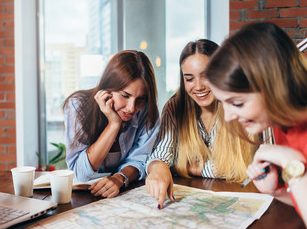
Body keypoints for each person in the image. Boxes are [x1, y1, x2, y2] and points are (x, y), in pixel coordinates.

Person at [205, 22, 307, 226]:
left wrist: (291, 162)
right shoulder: (280, 124)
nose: (228, 117)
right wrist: (276, 191)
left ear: (274, 87)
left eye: (237, 103)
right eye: (222, 103)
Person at [146, 39, 258, 209]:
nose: (198, 87)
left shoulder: (238, 104)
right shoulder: (175, 106)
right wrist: (159, 168)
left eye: (206, 76)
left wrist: (182, 166)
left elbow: (240, 168)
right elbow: (161, 155)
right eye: (189, 79)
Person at [63, 50, 160, 198]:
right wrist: (113, 125)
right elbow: (80, 173)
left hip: (121, 194)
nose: (132, 108)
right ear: (107, 88)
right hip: (82, 196)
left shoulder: (147, 112)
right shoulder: (77, 106)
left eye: (141, 98)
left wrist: (120, 178)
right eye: (125, 96)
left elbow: (140, 159)